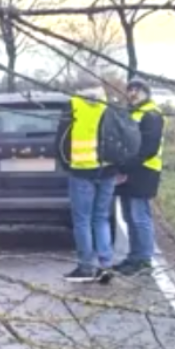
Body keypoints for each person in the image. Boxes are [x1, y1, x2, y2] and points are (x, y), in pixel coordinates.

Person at [57, 84, 120, 283]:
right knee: (101, 218)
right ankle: (105, 265)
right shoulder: (108, 106)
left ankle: (85, 267)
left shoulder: (73, 105)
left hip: (82, 170)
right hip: (107, 170)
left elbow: (61, 140)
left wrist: (66, 164)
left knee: (82, 220)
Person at [113, 80, 166, 276]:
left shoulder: (151, 114)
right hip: (129, 170)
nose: (133, 94)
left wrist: (126, 165)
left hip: (144, 171)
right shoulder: (130, 113)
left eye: (137, 90)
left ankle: (144, 260)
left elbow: (148, 149)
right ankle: (133, 257)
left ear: (146, 93)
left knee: (139, 216)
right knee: (128, 216)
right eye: (130, 90)